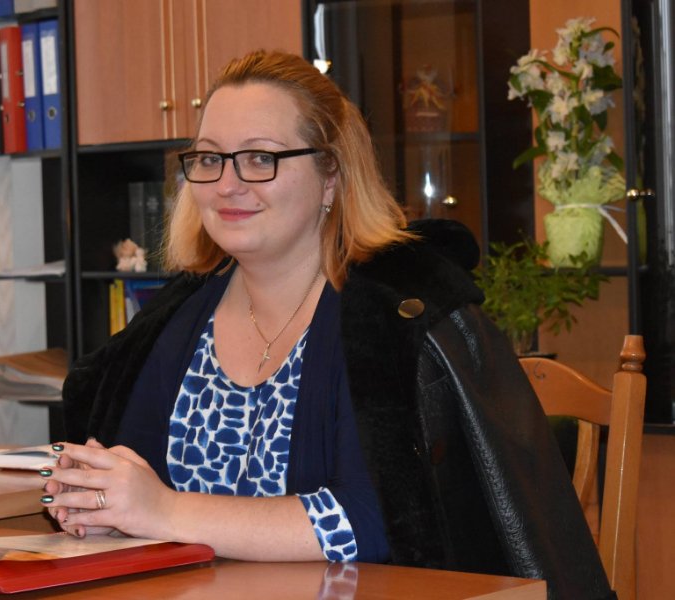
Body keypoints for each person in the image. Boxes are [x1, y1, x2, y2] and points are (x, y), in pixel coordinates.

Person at [41, 50, 613, 599]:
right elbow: (131, 473)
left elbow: (371, 522)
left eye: (260, 158)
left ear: (331, 176)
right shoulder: (175, 321)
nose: (227, 184)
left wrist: (165, 510)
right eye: (211, 158)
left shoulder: (384, 319)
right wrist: (100, 501)